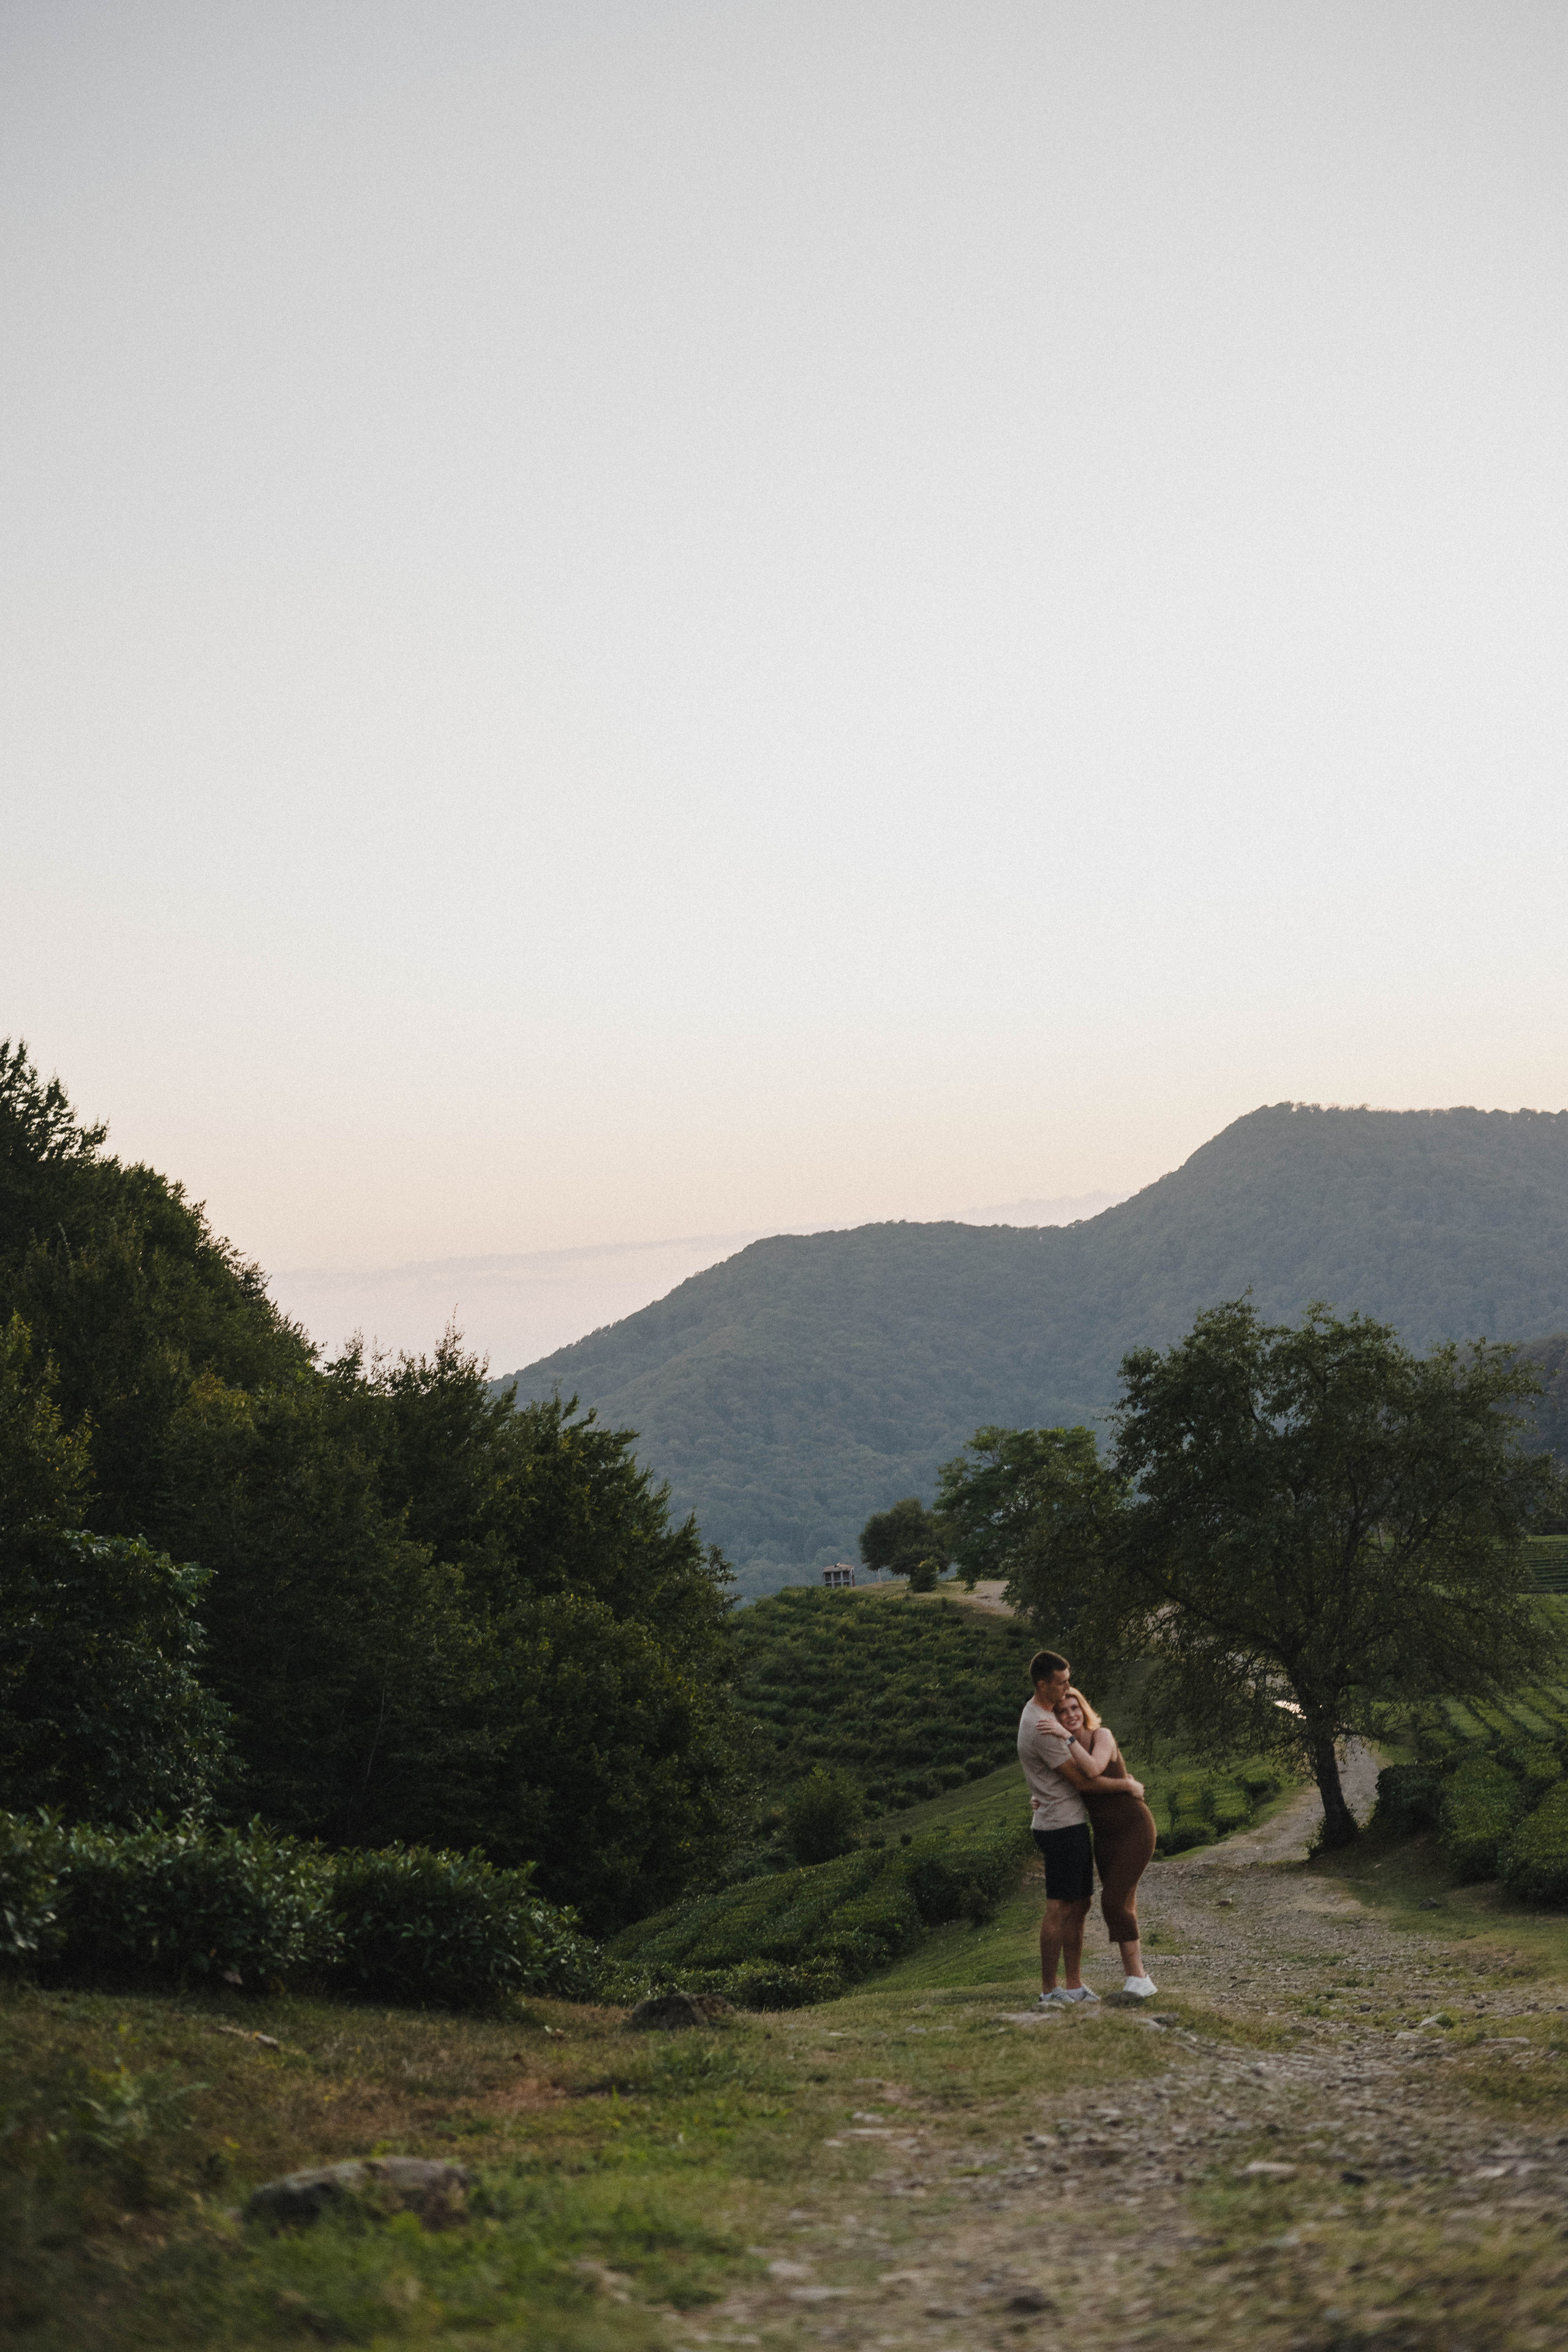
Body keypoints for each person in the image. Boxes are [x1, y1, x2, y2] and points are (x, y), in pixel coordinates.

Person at [1017, 1649, 1147, 2006]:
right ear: (1043, 1685)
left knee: (1080, 1904)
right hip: (1060, 1826)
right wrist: (1129, 1786)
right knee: (1060, 1907)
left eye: (1068, 1680)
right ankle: (1049, 1990)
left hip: (1065, 1821)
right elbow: (1086, 1782)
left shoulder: (1042, 1716)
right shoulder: (1042, 1727)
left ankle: (1073, 1985)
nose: (1068, 1688)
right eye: (1061, 1684)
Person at [1053, 1686, 1158, 2000]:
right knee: (1124, 1904)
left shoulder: (1103, 1736)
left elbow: (1094, 1770)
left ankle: (1139, 1978)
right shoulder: (1065, 1751)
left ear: (1083, 1709)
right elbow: (1076, 1785)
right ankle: (1137, 1979)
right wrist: (1039, 1799)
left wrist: (1067, 1737)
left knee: (1112, 1902)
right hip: (1105, 1837)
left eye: (1074, 1708)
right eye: (1062, 1711)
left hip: (1134, 1827)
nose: (1070, 1715)